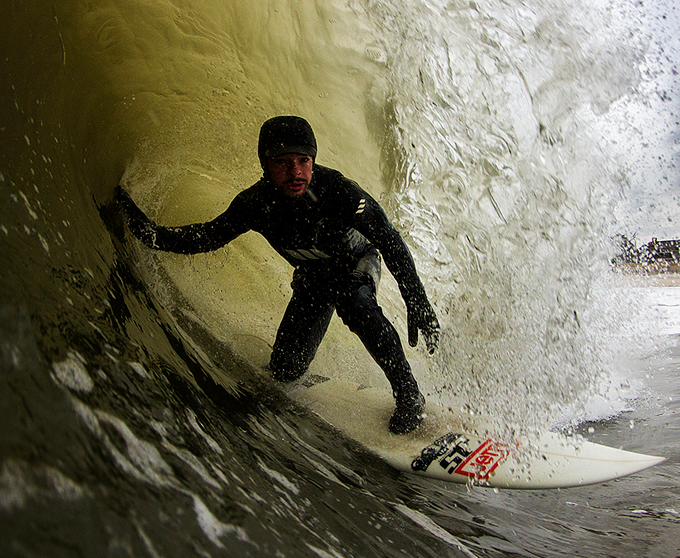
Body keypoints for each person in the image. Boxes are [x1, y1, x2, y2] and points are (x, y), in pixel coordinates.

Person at [104, 116, 440, 434]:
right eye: (282, 162)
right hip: (314, 274)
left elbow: (390, 241)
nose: (295, 171)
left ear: (313, 161)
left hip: (356, 261)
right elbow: (206, 237)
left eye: (303, 161)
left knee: (355, 304)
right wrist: (150, 232)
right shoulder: (256, 204)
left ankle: (410, 395)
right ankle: (296, 367)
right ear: (266, 165)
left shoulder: (341, 193)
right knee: (284, 371)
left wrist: (417, 301)